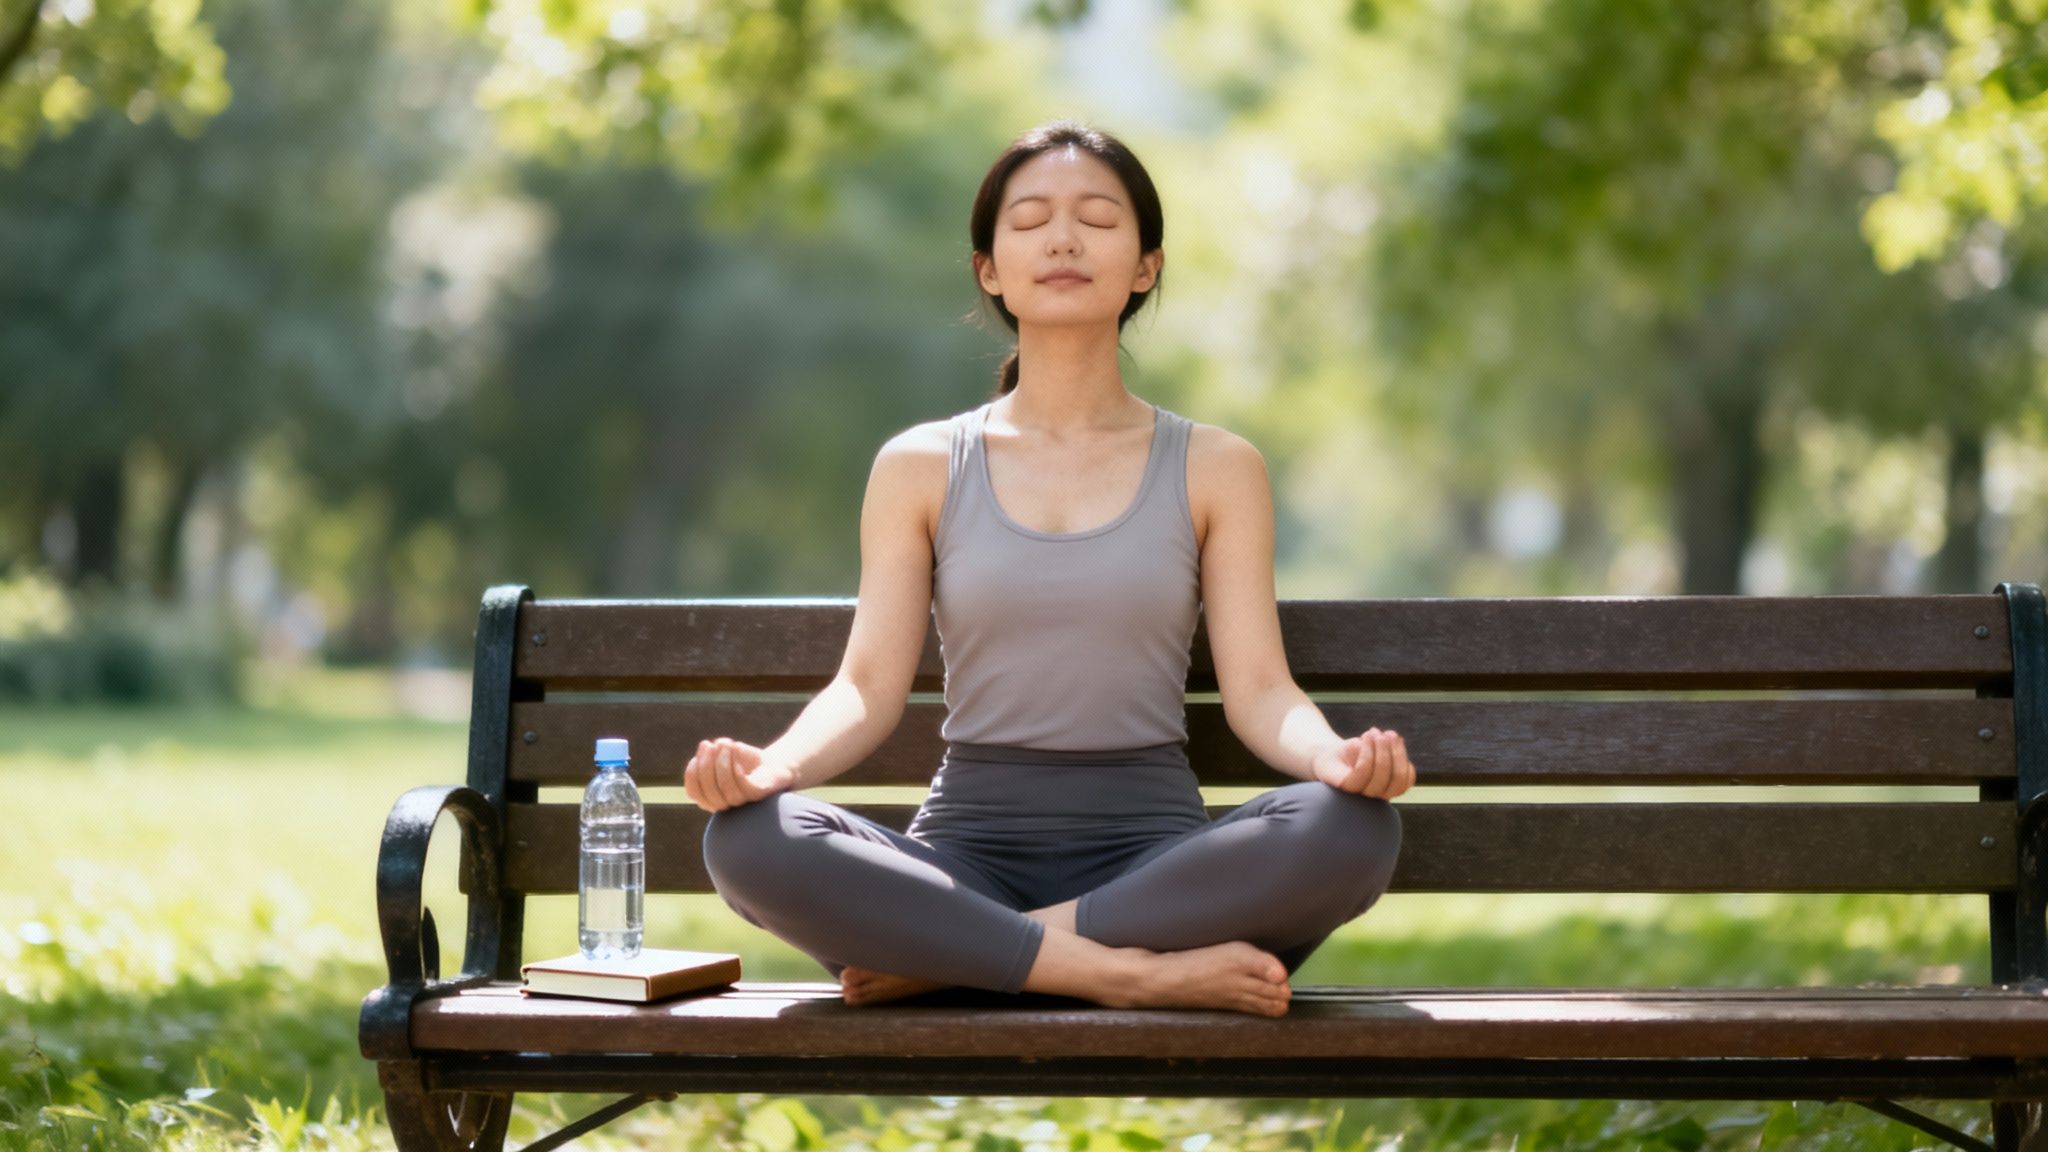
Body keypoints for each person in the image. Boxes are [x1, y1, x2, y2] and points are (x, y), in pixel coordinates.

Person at [685, 119, 1414, 1018]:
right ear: (989, 268)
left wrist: (1333, 757)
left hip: (1157, 867)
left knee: (1349, 828)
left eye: (1098, 219)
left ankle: (964, 957)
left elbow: (1260, 691)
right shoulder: (920, 464)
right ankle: (1129, 976)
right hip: (964, 853)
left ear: (1146, 264)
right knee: (751, 841)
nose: (1064, 238)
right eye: (1030, 219)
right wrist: (772, 768)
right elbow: (867, 688)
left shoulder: (1218, 466)